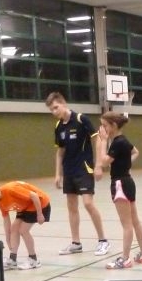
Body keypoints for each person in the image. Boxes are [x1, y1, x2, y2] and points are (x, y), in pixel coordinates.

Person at [45, 91, 110, 256]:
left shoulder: (81, 119)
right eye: (51, 110)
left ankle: (103, 240)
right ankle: (76, 243)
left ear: (63, 103)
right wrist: (57, 174)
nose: (54, 112)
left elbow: (98, 139)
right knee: (72, 207)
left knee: (88, 203)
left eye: (55, 107)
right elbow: (60, 152)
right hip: (69, 170)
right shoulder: (59, 127)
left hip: (84, 168)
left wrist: (98, 165)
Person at [96, 112, 142, 270]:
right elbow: (135, 151)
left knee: (127, 224)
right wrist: (126, 164)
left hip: (119, 183)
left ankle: (125, 259)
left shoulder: (117, 143)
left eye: (105, 125)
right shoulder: (124, 141)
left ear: (113, 126)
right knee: (135, 220)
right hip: (128, 181)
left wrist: (103, 141)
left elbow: (104, 162)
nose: (103, 128)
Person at [0, 181, 51, 270]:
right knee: (14, 228)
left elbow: (34, 196)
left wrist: (39, 214)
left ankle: (33, 260)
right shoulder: (0, 201)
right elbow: (6, 220)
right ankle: (12, 259)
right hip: (25, 207)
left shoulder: (10, 190)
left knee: (23, 230)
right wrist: (8, 238)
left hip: (40, 204)